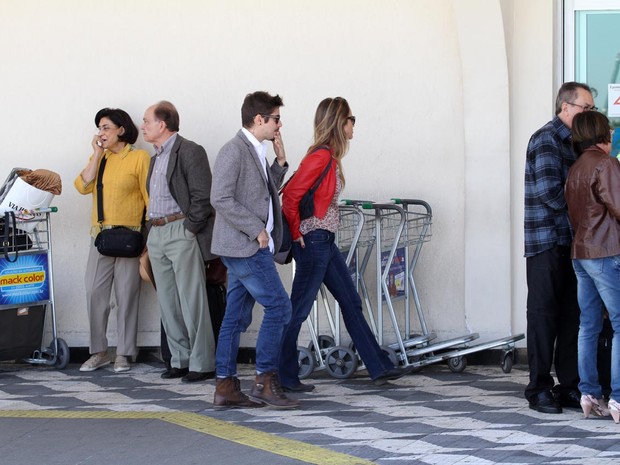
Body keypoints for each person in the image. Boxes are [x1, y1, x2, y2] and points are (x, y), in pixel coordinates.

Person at [279, 97, 413, 391]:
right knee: (298, 310)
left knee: (351, 302)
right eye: (352, 119)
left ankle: (378, 366)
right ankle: (280, 374)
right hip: (313, 243)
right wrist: (296, 231)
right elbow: (289, 196)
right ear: (340, 122)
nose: (354, 125)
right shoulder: (320, 157)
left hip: (324, 242)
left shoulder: (329, 157)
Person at [210, 91, 296, 409]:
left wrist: (281, 163)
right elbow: (220, 198)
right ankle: (264, 381)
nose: (279, 125)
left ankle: (225, 387)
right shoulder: (234, 150)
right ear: (259, 119)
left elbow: (258, 193)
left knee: (235, 317)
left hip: (247, 246)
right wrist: (257, 230)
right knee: (279, 308)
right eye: (275, 119)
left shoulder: (255, 149)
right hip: (245, 246)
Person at [524, 82, 596, 413]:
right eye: (586, 108)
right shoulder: (546, 140)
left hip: (573, 243)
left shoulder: (577, 144)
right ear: (565, 107)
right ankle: (538, 388)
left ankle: (568, 386)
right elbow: (551, 194)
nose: (590, 114)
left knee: (571, 316)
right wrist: (590, 208)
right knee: (543, 317)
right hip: (547, 242)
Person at [141, 101, 216, 383]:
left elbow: (202, 196)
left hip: (180, 230)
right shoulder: (155, 157)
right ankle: (180, 359)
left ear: (162, 125)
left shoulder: (190, 151)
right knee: (168, 301)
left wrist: (190, 229)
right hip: (158, 232)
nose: (143, 126)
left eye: (147, 121)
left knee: (191, 299)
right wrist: (150, 235)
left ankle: (202, 362)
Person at [74, 108, 150, 373]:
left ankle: (125, 353)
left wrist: (148, 239)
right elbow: (82, 186)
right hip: (102, 237)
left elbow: (149, 198)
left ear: (121, 129)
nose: (101, 133)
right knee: (95, 292)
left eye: (106, 127)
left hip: (130, 237)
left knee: (127, 295)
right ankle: (99, 351)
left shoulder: (139, 158)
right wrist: (96, 154)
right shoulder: (101, 158)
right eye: (99, 128)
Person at [564, 111, 620, 422]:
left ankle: (589, 393)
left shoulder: (575, 168)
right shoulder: (605, 164)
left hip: (581, 253)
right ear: (601, 134)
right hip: (606, 252)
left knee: (588, 325)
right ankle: (619, 398)